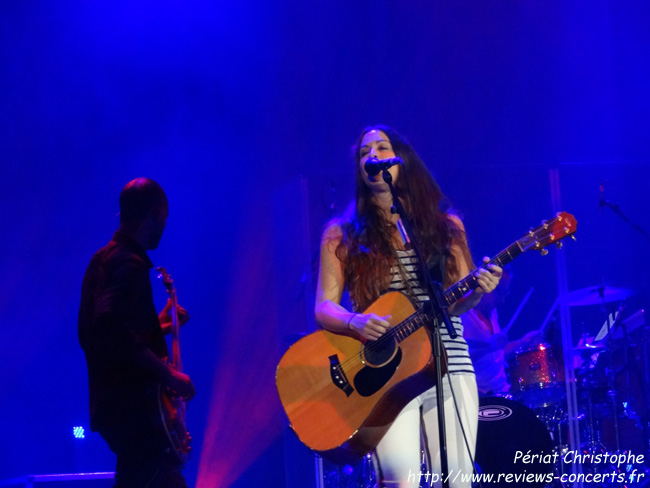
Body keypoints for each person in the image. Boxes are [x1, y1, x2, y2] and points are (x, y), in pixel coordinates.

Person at [315, 126, 502, 488]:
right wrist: (355, 322)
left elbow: (460, 301)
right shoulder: (341, 233)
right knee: (401, 482)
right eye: (364, 152)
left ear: (402, 159)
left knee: (458, 480)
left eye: (381, 147)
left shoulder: (446, 225)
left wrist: (478, 291)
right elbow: (324, 306)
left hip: (449, 363)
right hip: (386, 376)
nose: (372, 156)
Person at [79, 177, 195, 488]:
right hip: (138, 411)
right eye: (165, 218)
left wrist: (163, 324)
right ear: (158, 213)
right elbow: (112, 329)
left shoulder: (101, 261)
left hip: (116, 409)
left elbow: (100, 332)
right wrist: (169, 375)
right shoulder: (128, 264)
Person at [462, 268, 543, 396]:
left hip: (500, 390)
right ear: (483, 285)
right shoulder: (462, 315)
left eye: (506, 293)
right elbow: (457, 359)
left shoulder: (493, 312)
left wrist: (523, 342)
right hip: (475, 394)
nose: (503, 300)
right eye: (500, 292)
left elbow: (497, 352)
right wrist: (489, 346)